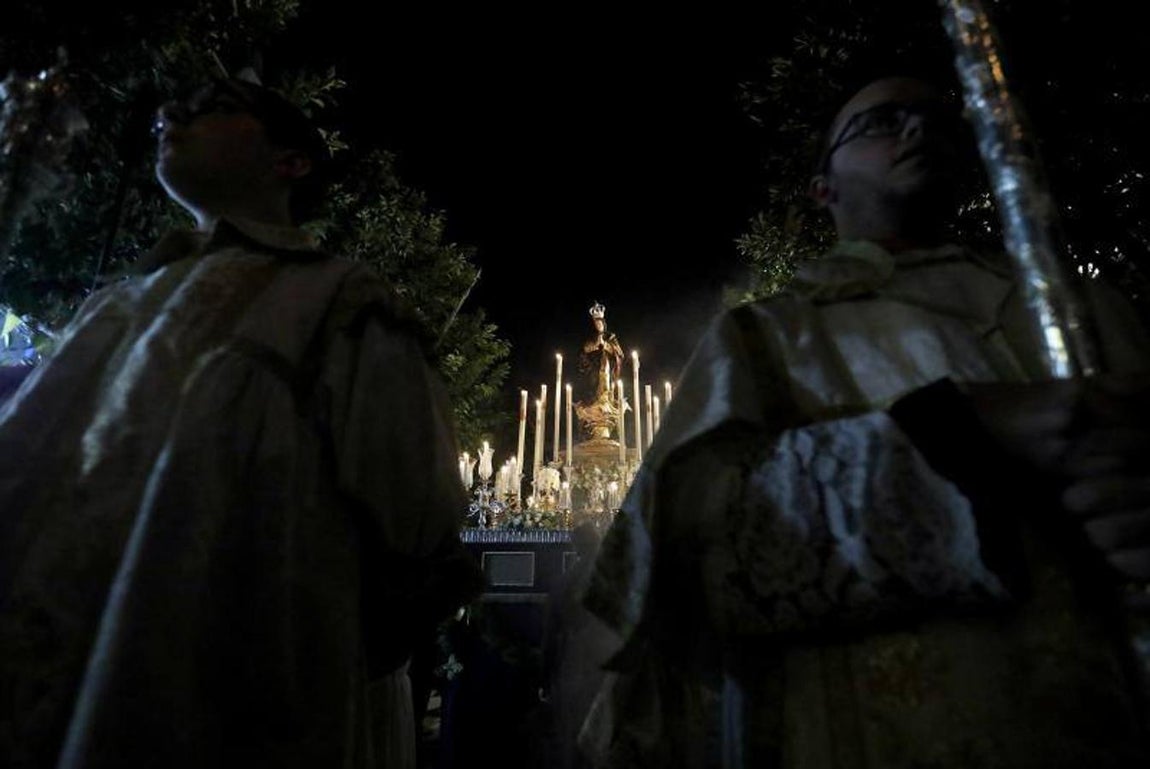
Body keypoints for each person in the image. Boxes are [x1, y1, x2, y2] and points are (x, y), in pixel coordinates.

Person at [579, 75, 1150, 768]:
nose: (915, 130)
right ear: (824, 187)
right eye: (883, 122)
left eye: (934, 120)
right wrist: (965, 431)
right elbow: (684, 554)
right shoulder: (765, 338)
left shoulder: (1086, 313)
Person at [0, 75, 482, 768]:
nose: (172, 111)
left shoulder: (338, 299)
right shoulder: (114, 305)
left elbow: (415, 515)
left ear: (290, 162)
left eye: (216, 107)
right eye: (179, 105)